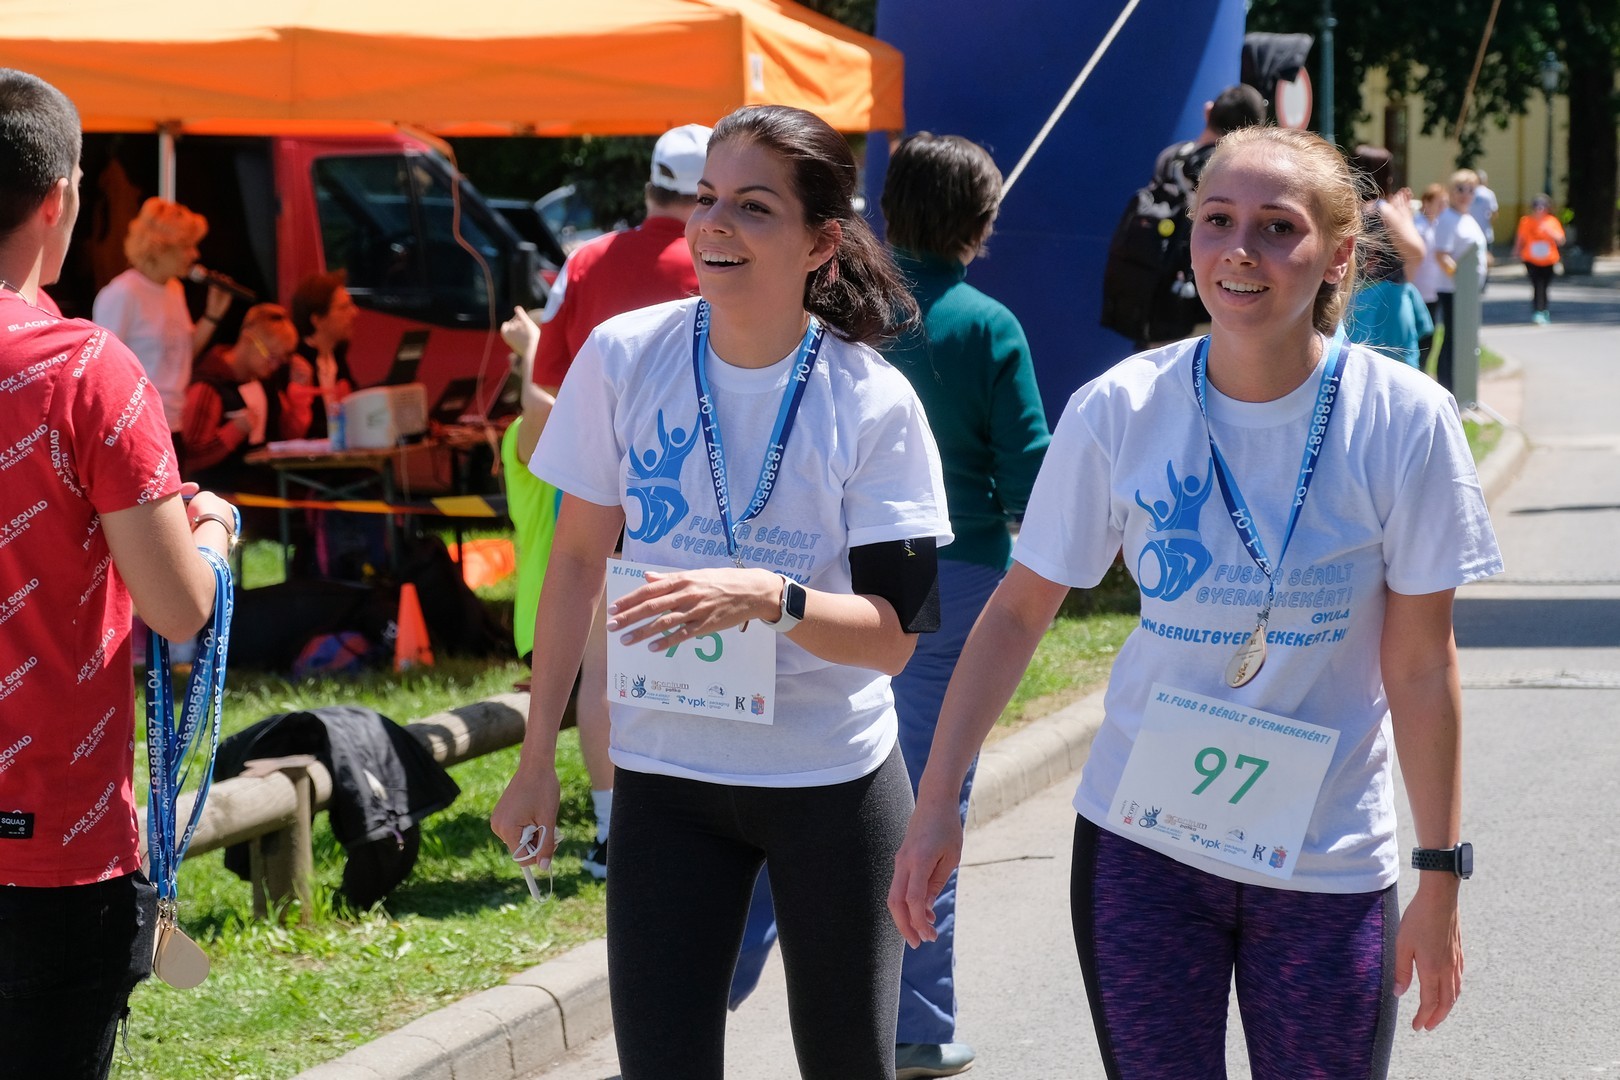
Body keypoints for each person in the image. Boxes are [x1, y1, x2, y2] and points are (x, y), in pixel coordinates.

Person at [890, 126, 1503, 1080]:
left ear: (1340, 255)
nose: (1240, 250)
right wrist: (935, 805)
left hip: (1326, 859)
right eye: (1218, 220)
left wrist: (1440, 875)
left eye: (1278, 227)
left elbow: (1423, 665)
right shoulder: (1121, 407)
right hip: (1143, 849)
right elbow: (1016, 612)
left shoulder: (1403, 419)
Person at [491, 104, 951, 1080]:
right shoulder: (623, 357)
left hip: (830, 780)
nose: (714, 225)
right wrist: (537, 760)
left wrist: (773, 598)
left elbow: (893, 637)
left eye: (753, 206)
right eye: (706, 198)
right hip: (667, 778)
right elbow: (574, 564)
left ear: (821, 243)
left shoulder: (874, 400)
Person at [726, 131, 1052, 1079]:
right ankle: (918, 1019)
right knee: (929, 796)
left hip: (822, 573)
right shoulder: (988, 325)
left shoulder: (835, 310)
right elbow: (1030, 469)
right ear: (981, 221)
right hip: (958, 579)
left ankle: (709, 972)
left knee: (790, 780)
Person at [0, 67, 236, 1080]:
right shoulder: (84, 369)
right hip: (52, 844)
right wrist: (212, 533)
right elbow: (179, 608)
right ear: (59, 199)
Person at [527, 122, 712, 878]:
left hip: (603, 489)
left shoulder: (587, 259)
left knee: (603, 668)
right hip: (703, 494)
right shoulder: (725, 259)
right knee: (710, 656)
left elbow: (543, 378)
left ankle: (613, 832)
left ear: (648, 188)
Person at [91, 195, 233, 441]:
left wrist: (213, 315)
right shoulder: (123, 293)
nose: (195, 254)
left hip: (173, 423)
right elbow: (102, 369)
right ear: (160, 247)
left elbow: (182, 354)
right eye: (187, 246)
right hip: (138, 427)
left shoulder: (174, 289)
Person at [178, 303, 300, 492]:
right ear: (248, 339)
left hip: (266, 488)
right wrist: (234, 431)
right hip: (221, 495)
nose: (275, 366)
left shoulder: (265, 382)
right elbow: (191, 457)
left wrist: (300, 403)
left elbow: (287, 435)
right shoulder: (209, 385)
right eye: (271, 356)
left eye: (281, 360)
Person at [1345, 145, 1432, 367]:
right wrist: (1405, 217)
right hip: (1386, 303)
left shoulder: (1347, 210)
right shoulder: (1381, 209)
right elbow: (1417, 251)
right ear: (1385, 176)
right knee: (1395, 369)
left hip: (1353, 301)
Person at [1428, 170, 1488, 392]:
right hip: (1454, 290)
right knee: (1453, 340)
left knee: (1463, 340)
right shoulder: (1448, 218)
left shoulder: (1467, 218)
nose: (1465, 194)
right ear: (1451, 192)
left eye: (1471, 190)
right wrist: (1461, 280)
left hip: (1467, 291)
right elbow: (1441, 255)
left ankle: (1460, 387)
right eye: (1460, 189)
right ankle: (1448, 388)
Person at [282, 270, 358, 439]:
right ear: (317, 320)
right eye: (344, 307)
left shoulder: (337, 357)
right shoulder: (294, 362)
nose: (354, 312)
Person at [1410, 183, 1450, 369]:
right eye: (1439, 203)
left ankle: (1424, 370)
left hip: (1434, 290)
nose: (1443, 208)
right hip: (1419, 288)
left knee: (1431, 334)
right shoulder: (1418, 226)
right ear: (1426, 203)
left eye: (1445, 203)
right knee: (1420, 335)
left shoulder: (1439, 225)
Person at [1515, 194, 1565, 325]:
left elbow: (1561, 240)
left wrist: (1548, 231)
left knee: (1545, 286)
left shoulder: (1552, 221)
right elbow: (1521, 238)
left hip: (1548, 260)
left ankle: (1544, 310)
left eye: (1543, 207)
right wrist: (1516, 250)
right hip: (1531, 259)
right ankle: (1538, 311)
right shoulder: (1526, 221)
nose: (1539, 209)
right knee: (1537, 285)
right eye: (1537, 206)